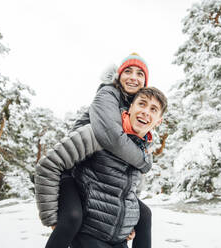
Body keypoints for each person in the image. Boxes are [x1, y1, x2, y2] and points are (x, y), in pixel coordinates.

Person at [35, 54, 155, 248]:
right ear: (118, 75)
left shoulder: (133, 108)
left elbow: (128, 177)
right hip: (75, 168)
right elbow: (112, 137)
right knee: (72, 217)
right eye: (128, 71)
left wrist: (127, 217)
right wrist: (143, 161)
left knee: (145, 214)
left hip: (99, 171)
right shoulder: (108, 93)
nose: (133, 77)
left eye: (140, 74)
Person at [71, 87, 168, 248]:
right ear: (130, 108)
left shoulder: (143, 150)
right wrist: (56, 216)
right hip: (89, 234)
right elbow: (57, 167)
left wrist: (129, 221)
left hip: (118, 239)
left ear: (159, 121)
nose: (145, 112)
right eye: (142, 104)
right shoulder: (102, 133)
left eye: (153, 109)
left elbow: (132, 192)